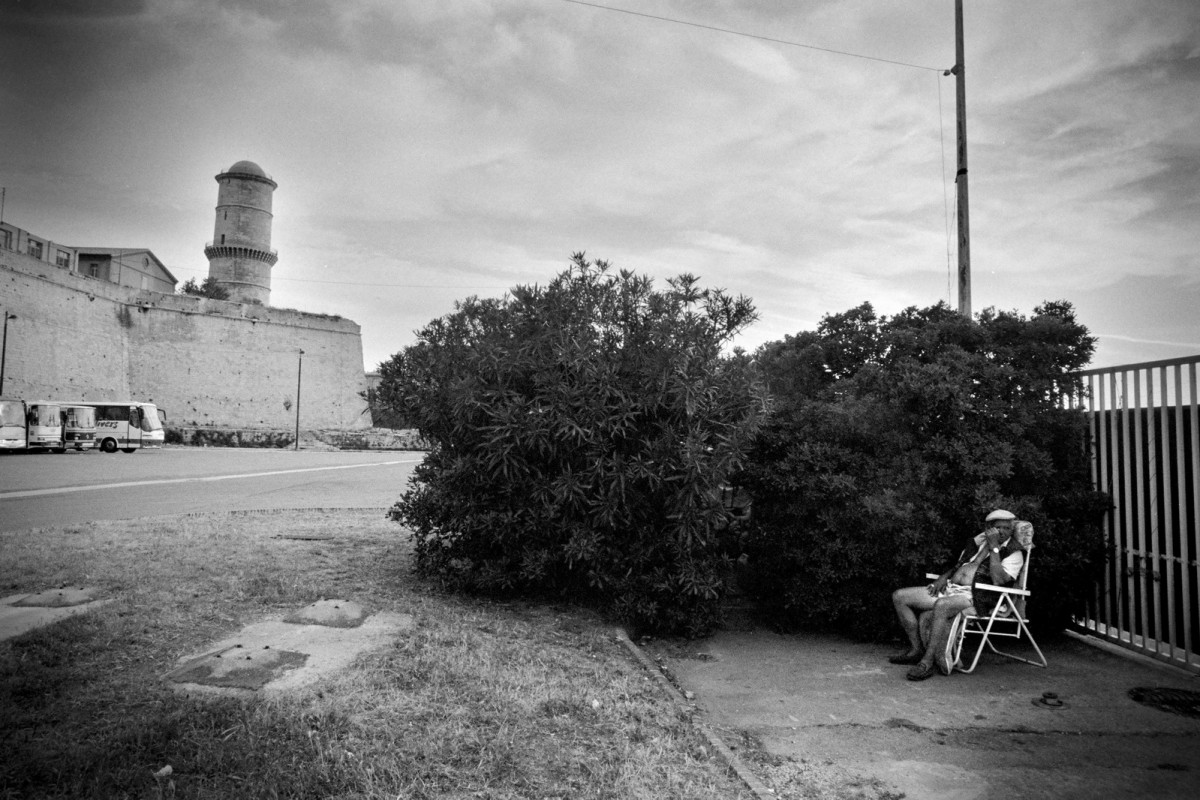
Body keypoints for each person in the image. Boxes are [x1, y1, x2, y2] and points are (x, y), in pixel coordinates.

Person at [889, 509, 1025, 681]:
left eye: (1007, 528)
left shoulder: (1014, 553)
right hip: (950, 589)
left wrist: (995, 549)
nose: (1003, 532)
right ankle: (916, 650)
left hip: (976, 597)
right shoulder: (977, 543)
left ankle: (927, 661)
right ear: (988, 528)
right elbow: (959, 567)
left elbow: (998, 580)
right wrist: (943, 578)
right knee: (900, 596)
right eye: (998, 527)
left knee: (942, 605)